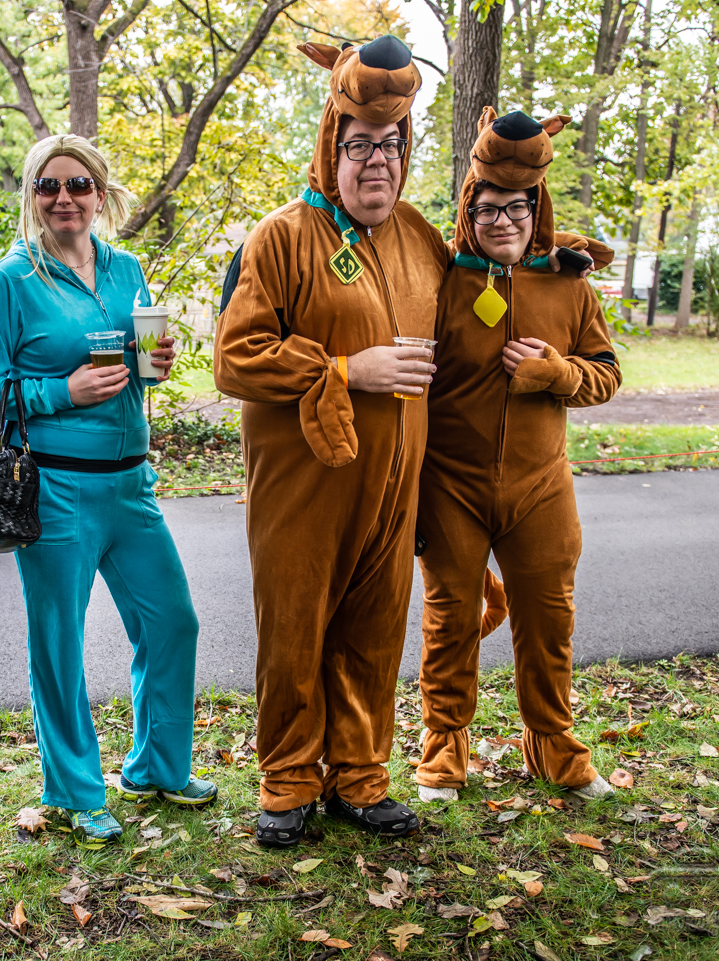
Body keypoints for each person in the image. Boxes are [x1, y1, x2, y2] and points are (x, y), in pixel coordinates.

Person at [213, 35, 445, 847]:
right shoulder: (282, 236)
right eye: (360, 146)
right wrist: (348, 369)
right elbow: (235, 358)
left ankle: (360, 775)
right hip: (302, 488)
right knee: (294, 631)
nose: (377, 162)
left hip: (394, 489)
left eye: (391, 146)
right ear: (332, 147)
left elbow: (487, 292)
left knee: (375, 632)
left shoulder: (419, 237)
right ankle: (287, 779)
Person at [0, 134, 214, 848]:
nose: (63, 198)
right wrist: (60, 391)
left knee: (172, 622)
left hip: (131, 484)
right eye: (49, 186)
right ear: (32, 196)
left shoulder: (126, 268)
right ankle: (74, 791)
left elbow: (141, 363)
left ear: (100, 194)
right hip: (56, 488)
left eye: (78, 185)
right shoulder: (12, 280)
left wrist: (157, 361)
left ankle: (158, 767)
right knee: (59, 644)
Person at [413, 108, 621, 803]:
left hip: (541, 487)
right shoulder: (441, 281)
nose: (502, 221)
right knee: (450, 619)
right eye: (488, 208)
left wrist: (557, 372)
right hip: (451, 485)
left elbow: (606, 375)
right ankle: (445, 744)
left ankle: (553, 742)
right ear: (469, 209)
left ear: (537, 210)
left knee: (549, 618)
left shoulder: (569, 285)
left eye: (517, 208)